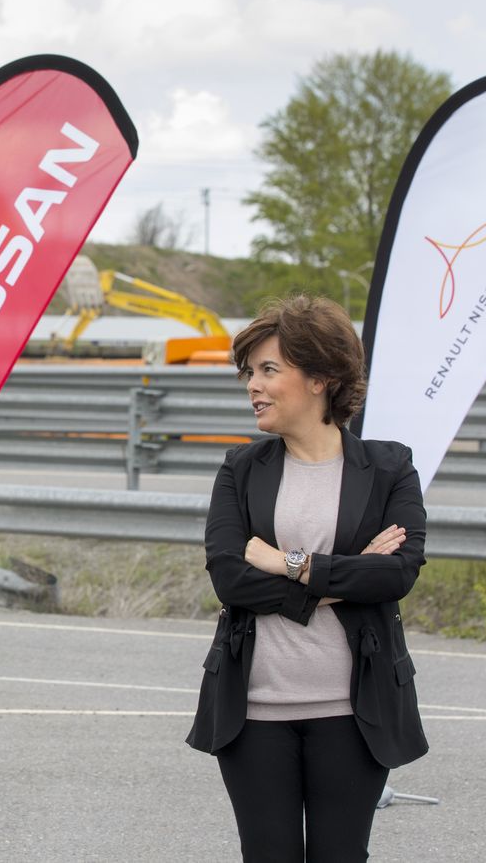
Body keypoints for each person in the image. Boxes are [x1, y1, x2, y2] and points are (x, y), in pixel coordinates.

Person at [185, 295, 428, 862]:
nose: (253, 386)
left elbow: (397, 574)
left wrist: (288, 562)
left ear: (320, 377)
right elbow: (231, 580)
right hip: (254, 711)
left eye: (269, 370)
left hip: (354, 710)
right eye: (250, 373)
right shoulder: (241, 470)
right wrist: (346, 575)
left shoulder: (390, 468)